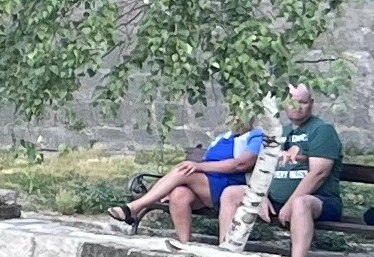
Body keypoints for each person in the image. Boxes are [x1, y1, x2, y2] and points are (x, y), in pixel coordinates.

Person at [219, 81, 348, 257]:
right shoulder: (280, 132)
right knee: (231, 194)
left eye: (302, 102)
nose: (296, 107)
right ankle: (226, 253)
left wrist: (290, 203)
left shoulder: (322, 130)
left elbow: (319, 174)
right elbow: (265, 166)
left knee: (300, 204)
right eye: (292, 102)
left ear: (311, 103)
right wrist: (260, 195)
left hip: (319, 201)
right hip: (276, 201)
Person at [116, 99, 270, 241]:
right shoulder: (223, 137)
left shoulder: (256, 135)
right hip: (206, 185)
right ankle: (185, 246)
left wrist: (198, 167)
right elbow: (207, 161)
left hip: (229, 186)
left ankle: (136, 206)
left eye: (240, 114)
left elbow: (241, 164)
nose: (235, 118)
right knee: (179, 194)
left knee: (184, 170)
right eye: (233, 113)